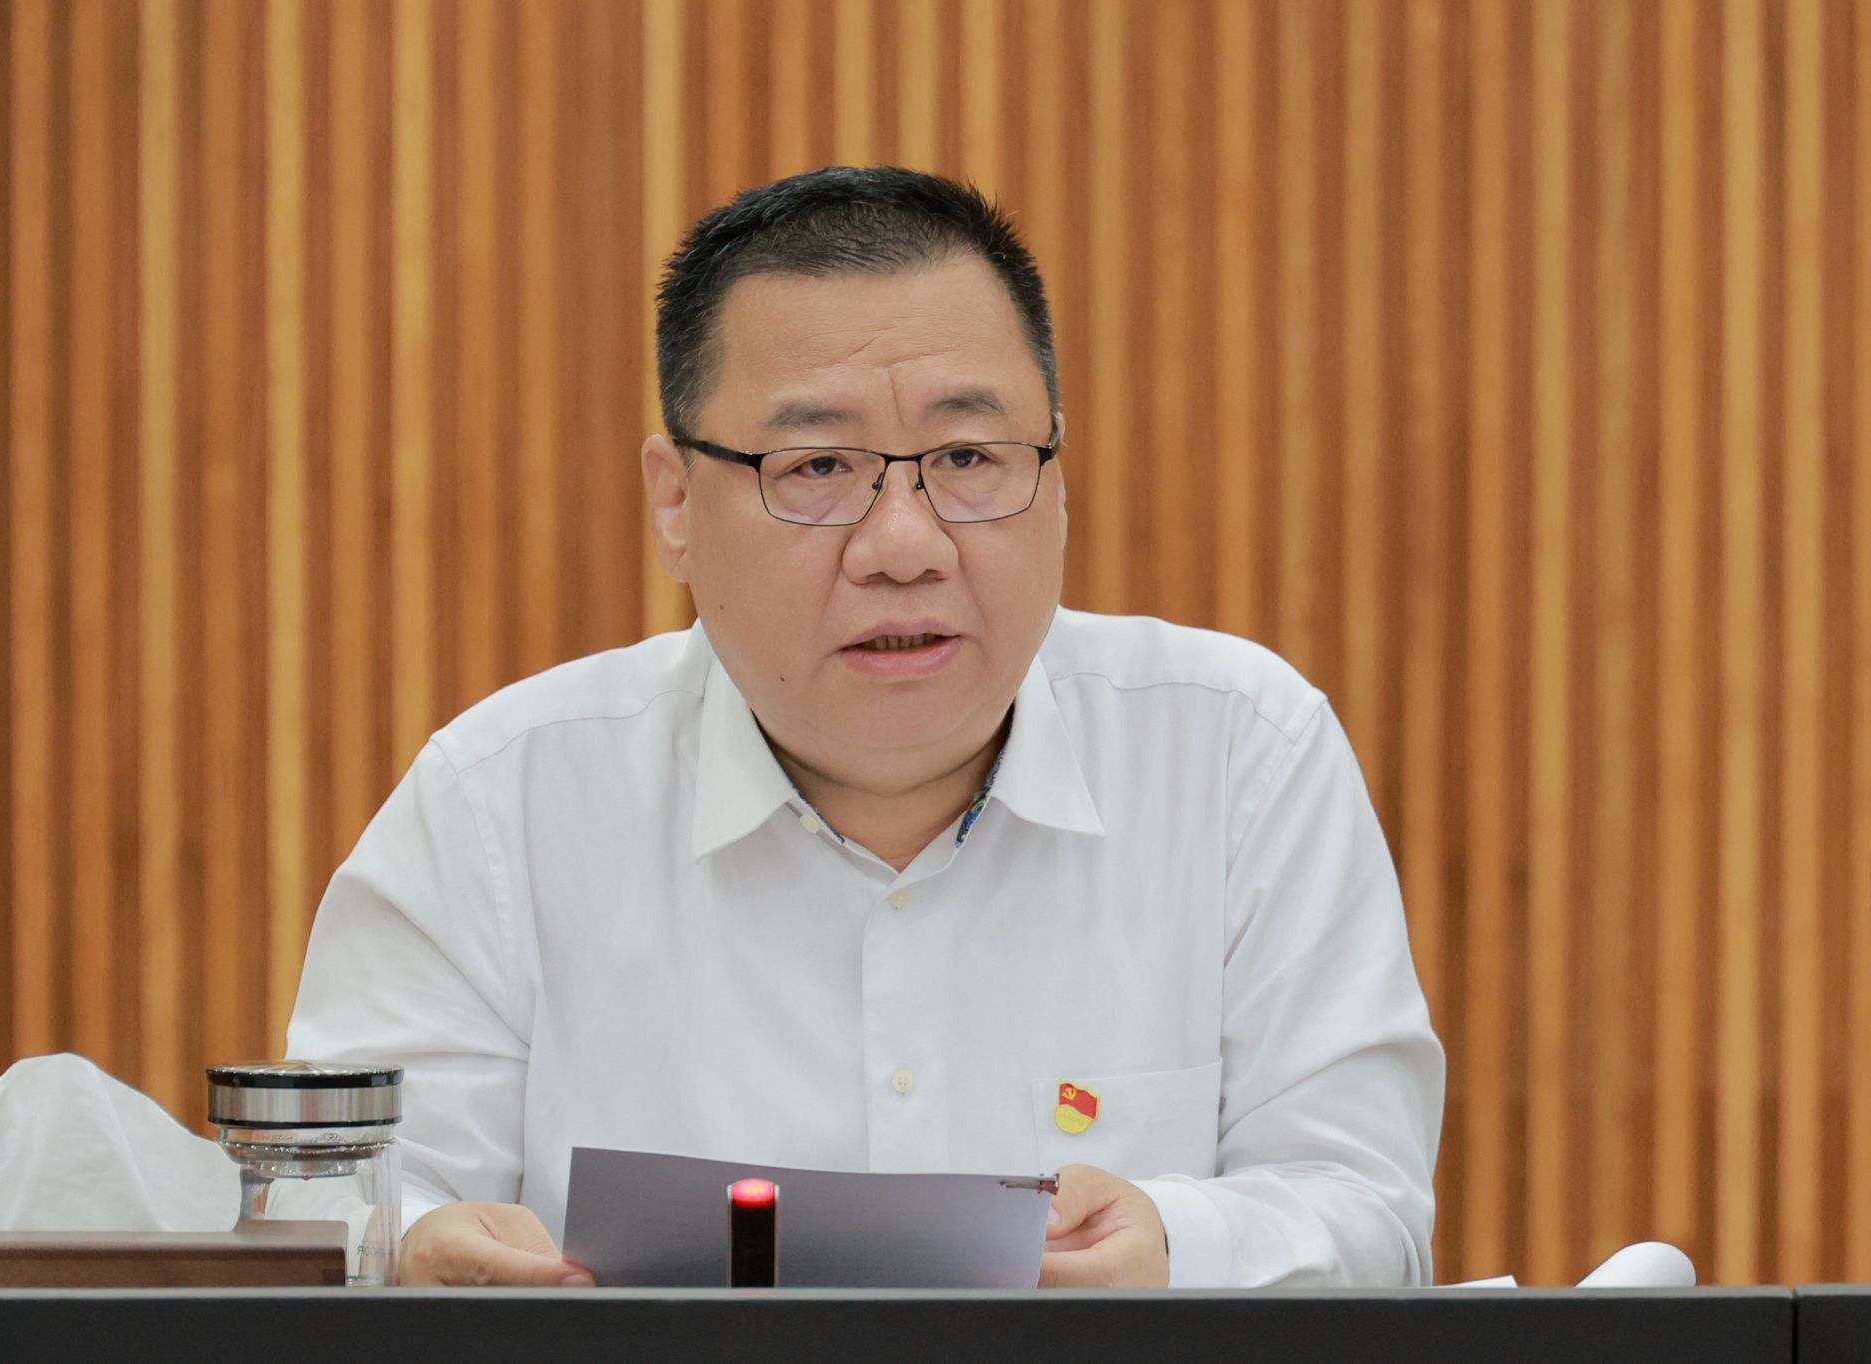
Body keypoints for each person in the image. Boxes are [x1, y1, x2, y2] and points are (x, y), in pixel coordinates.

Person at [286, 166, 1444, 1290]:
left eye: (966, 458)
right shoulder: (500, 803)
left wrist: (1177, 1242)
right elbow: (331, 1201)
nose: (903, 546)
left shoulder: (1237, 754)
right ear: (674, 503)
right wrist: (408, 1246)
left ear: (1055, 477)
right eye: (818, 466)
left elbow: (1364, 1204)